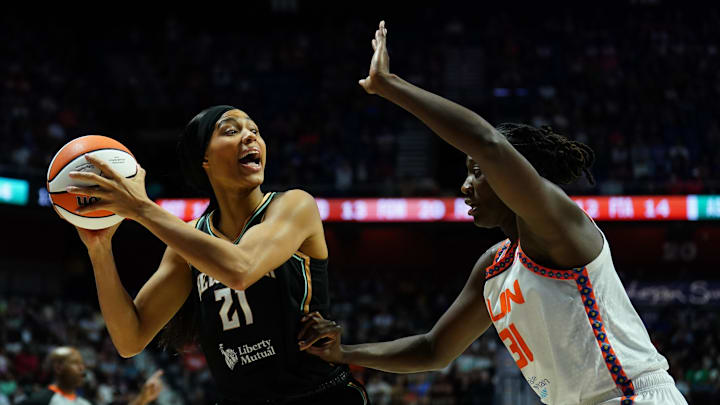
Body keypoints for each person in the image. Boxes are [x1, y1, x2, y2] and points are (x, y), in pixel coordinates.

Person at [297, 21, 687, 405]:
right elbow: (433, 350)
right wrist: (344, 352)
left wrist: (389, 85)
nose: (465, 186)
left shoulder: (560, 228)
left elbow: (489, 143)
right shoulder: (495, 266)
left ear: (512, 174)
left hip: (634, 395)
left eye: (477, 173)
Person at [65, 106, 368, 404]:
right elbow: (129, 338)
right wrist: (99, 249)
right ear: (204, 160)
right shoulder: (190, 241)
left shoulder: (293, 205)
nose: (250, 136)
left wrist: (142, 208)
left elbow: (241, 269)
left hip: (317, 395)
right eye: (232, 130)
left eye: (255, 130)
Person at [19, 346, 163, 405]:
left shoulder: (84, 403)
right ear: (58, 367)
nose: (83, 368)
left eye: (83, 364)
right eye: (76, 363)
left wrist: (142, 398)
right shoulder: (40, 400)